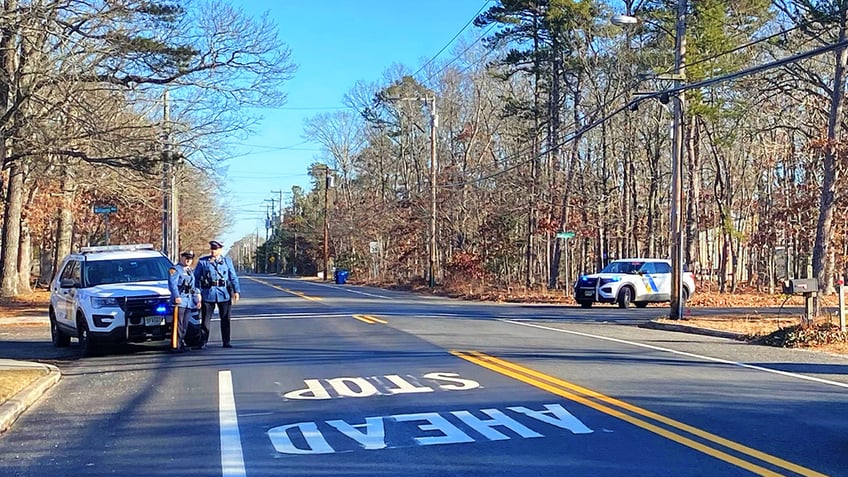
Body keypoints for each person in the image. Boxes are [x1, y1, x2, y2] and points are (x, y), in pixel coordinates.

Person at [193, 240, 240, 348]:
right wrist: (197, 292)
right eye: (212, 249)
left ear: (220, 250)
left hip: (223, 293)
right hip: (208, 293)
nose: (213, 251)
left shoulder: (227, 261)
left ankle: (226, 341)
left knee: (225, 319)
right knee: (205, 320)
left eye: (216, 249)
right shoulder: (203, 262)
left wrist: (236, 291)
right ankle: (203, 342)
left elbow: (233, 277)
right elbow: (195, 278)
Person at [168, 250, 201, 353]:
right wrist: (176, 296)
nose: (188, 260)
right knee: (178, 324)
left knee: (185, 324)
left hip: (188, 301)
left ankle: (181, 343)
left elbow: (193, 287)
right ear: (181, 258)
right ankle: (175, 345)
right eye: (186, 258)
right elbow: (172, 285)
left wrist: (197, 300)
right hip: (180, 301)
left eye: (190, 258)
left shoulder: (190, 271)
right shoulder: (175, 270)